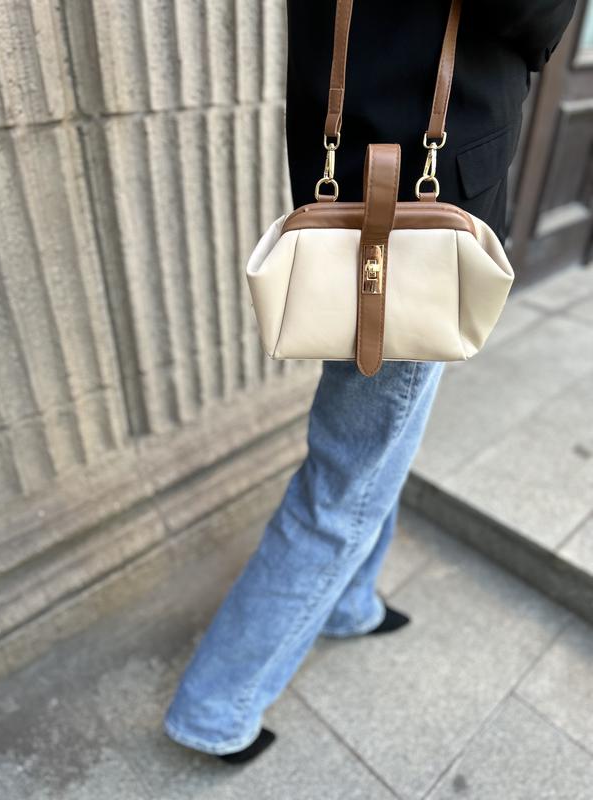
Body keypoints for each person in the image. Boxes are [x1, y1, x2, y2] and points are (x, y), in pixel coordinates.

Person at [163, 0, 576, 764]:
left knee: (382, 440)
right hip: (420, 211)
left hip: (363, 172)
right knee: (344, 483)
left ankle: (348, 603)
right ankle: (216, 706)